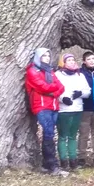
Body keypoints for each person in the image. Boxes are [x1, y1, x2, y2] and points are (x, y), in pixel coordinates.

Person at [25, 48, 66, 176]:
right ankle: (52, 165)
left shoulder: (50, 71)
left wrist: (51, 91)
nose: (47, 58)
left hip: (53, 106)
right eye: (44, 56)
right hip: (41, 107)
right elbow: (42, 87)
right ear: (38, 57)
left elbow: (61, 87)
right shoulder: (32, 71)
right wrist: (53, 89)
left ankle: (46, 163)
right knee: (48, 133)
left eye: (48, 55)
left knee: (49, 134)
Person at [55, 53, 91, 171]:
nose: (71, 62)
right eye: (68, 60)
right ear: (63, 63)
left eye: (72, 60)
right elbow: (54, 91)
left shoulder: (79, 75)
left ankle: (73, 160)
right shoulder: (58, 75)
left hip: (77, 108)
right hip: (64, 109)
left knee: (72, 136)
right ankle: (64, 160)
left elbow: (87, 91)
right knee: (62, 136)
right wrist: (62, 99)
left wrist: (80, 93)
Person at [79, 51, 94, 167]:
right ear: (84, 61)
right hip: (85, 107)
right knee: (84, 133)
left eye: (93, 58)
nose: (91, 61)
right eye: (89, 59)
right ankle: (81, 156)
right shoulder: (80, 73)